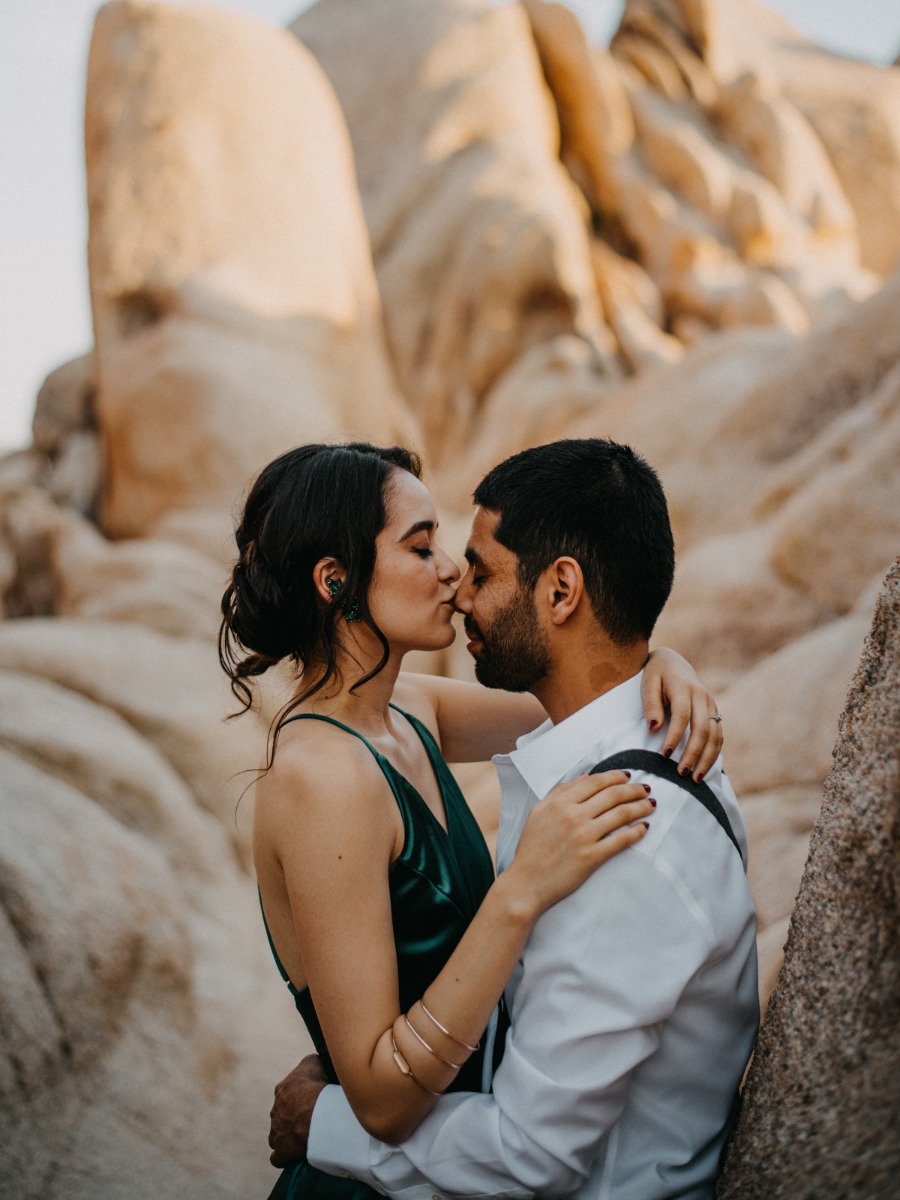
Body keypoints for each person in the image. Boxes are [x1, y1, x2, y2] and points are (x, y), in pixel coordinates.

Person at [219, 441, 724, 1200]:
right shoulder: (319, 780)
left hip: (467, 1149)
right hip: (388, 1175)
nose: (451, 569)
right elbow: (383, 1103)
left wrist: (664, 661)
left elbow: (580, 689)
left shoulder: (410, 709)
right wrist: (518, 892)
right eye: (421, 547)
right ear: (337, 581)